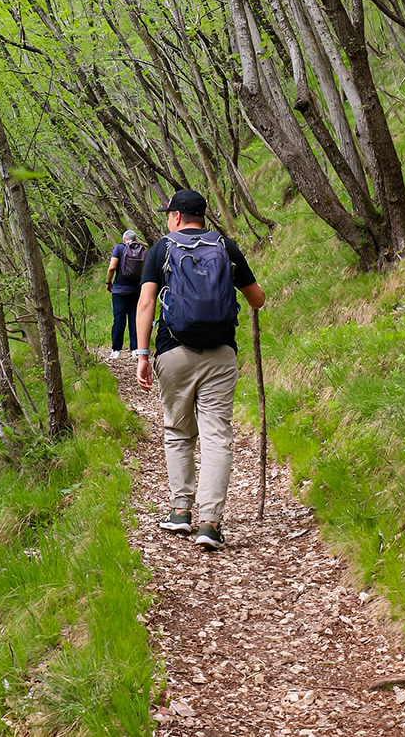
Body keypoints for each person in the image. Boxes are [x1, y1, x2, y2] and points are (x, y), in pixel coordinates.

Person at [135, 189, 266, 549]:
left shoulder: (161, 248)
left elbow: (146, 302)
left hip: (173, 352)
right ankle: (210, 523)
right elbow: (257, 298)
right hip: (221, 354)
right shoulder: (226, 246)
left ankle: (180, 513)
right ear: (202, 217)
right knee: (216, 436)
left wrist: (142, 355)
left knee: (178, 431)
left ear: (176, 216)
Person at [106, 229, 143, 360]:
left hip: (120, 291)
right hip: (136, 290)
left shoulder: (119, 248)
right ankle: (135, 349)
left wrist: (108, 282)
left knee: (119, 320)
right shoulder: (142, 249)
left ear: (124, 239)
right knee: (134, 319)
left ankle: (116, 350)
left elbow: (112, 267)